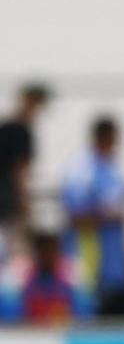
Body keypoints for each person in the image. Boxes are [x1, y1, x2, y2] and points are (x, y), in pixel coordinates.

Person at [63, 117, 124, 316]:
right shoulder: (81, 171)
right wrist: (107, 215)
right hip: (90, 271)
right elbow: (74, 216)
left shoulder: (117, 170)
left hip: (118, 272)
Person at [0, 84, 50, 253]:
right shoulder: (21, 131)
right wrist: (24, 204)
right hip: (8, 201)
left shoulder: (6, 126)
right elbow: (20, 170)